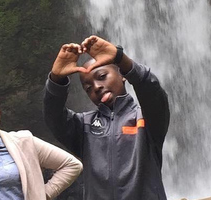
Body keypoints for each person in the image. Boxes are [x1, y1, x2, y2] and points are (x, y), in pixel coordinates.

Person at [43, 35, 170, 200]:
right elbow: (53, 116)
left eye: (102, 76)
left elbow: (153, 94)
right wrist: (56, 80)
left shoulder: (147, 120)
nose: (96, 87)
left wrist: (122, 59)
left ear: (121, 75)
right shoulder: (83, 126)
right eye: (88, 88)